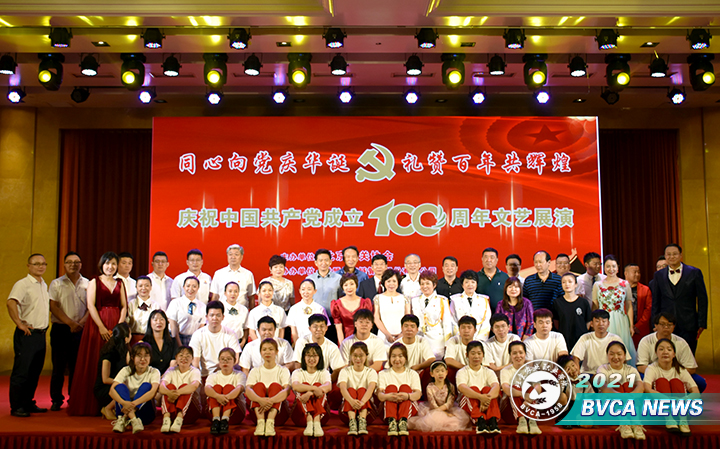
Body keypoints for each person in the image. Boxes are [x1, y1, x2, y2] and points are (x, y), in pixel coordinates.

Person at [69, 251, 127, 416]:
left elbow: (124, 306)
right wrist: (101, 327)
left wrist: (119, 327)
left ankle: (113, 404)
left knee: (116, 361)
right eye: (107, 263)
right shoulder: (94, 281)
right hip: (97, 324)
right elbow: (91, 305)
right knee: (95, 359)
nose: (110, 267)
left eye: (114, 264)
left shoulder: (120, 282)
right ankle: (93, 405)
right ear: (102, 265)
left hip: (116, 323)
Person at [48, 251, 89, 411]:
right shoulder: (56, 283)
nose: (73, 265)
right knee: (58, 366)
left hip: (80, 329)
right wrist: (70, 323)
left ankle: (74, 397)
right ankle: (56, 399)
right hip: (61, 329)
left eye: (76, 262)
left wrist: (80, 323)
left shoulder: (88, 283)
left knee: (76, 367)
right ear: (64, 264)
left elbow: (91, 306)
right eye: (69, 262)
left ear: (81, 265)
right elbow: (53, 307)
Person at [651, 243, 708, 354]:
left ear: (681, 255)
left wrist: (701, 323)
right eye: (668, 254)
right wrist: (655, 323)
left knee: (688, 355)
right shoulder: (658, 275)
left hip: (689, 323)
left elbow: (702, 299)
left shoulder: (694, 272)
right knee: (667, 354)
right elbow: (656, 301)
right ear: (665, 256)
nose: (671, 257)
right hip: (665, 324)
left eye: (675, 254)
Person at [636, 313, 705, 392]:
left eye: (669, 325)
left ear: (674, 327)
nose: (666, 327)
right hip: (652, 373)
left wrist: (672, 374)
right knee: (639, 380)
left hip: (676, 372)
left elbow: (691, 368)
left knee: (700, 382)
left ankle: (682, 395)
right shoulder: (646, 341)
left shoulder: (681, 342)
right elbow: (641, 366)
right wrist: (659, 374)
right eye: (662, 324)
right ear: (655, 325)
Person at [643, 339, 700, 435]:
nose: (665, 352)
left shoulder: (680, 369)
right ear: (656, 353)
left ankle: (683, 421)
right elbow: (646, 388)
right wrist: (667, 400)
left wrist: (683, 400)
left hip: (680, 408)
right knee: (662, 381)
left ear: (674, 354)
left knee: (675, 382)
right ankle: (669, 418)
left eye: (669, 350)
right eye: (661, 349)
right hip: (660, 410)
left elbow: (696, 392)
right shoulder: (652, 368)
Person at [592, 255, 636, 365]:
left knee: (622, 347)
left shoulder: (625, 284)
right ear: (604, 268)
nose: (611, 269)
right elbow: (595, 306)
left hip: (621, 320)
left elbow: (629, 306)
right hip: (603, 321)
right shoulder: (597, 285)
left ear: (618, 268)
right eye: (608, 266)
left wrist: (631, 325)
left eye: (613, 266)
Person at [597, 341, 644, 440]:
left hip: (631, 406)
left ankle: (636, 425)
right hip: (609, 407)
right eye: (612, 354)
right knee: (616, 385)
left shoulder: (631, 370)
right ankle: (624, 424)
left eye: (619, 354)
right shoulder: (603, 369)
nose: (615, 357)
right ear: (607, 355)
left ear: (625, 356)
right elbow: (603, 386)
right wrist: (621, 396)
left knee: (628, 386)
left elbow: (640, 386)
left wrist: (630, 397)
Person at [110, 342, 161, 433]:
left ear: (150, 358)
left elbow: (153, 392)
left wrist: (131, 405)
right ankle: (134, 420)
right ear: (132, 357)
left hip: (144, 414)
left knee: (146, 386)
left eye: (146, 356)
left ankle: (125, 418)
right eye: (139, 356)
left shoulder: (154, 371)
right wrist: (124, 403)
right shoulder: (126, 370)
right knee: (120, 387)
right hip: (123, 408)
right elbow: (111, 391)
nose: (143, 359)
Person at [246, 338, 292, 437]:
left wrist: (270, 401)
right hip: (258, 412)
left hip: (278, 414)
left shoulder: (283, 370)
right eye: (264, 349)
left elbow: (287, 390)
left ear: (276, 352)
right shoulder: (255, 371)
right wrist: (260, 400)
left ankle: (270, 423)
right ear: (260, 352)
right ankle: (261, 423)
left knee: (275, 386)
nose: (267, 352)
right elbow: (248, 390)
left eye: (271, 349)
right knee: (258, 386)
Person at [409, 360, 470, 432]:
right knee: (431, 421)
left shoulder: (450, 386)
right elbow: (432, 403)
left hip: (448, 409)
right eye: (437, 371)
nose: (440, 373)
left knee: (456, 422)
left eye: (442, 371)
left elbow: (450, 402)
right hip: (434, 409)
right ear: (432, 374)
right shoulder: (430, 387)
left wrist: (445, 411)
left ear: (446, 373)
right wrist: (443, 413)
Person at [377, 342, 422, 437]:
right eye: (393, 356)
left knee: (405, 388)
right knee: (391, 388)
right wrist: (390, 396)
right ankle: (392, 422)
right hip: (387, 409)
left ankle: (403, 422)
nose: (397, 359)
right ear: (389, 358)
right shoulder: (383, 374)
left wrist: (406, 396)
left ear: (405, 358)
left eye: (400, 356)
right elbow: (380, 396)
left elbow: (418, 394)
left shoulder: (412, 374)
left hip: (408, 409)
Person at [457, 341, 502, 434]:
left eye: (479, 353)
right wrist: (481, 397)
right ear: (467, 355)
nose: (476, 356)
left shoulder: (488, 371)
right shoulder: (462, 372)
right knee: (473, 389)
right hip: (468, 404)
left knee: (488, 390)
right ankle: (479, 421)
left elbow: (496, 387)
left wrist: (486, 399)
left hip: (485, 403)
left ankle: (492, 421)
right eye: (473, 353)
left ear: (483, 355)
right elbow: (462, 388)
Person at [189, 301, 241, 378]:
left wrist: (220, 368)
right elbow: (195, 362)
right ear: (206, 317)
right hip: (205, 375)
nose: (215, 318)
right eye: (212, 315)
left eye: (218, 315)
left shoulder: (230, 334)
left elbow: (235, 359)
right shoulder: (198, 335)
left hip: (225, 373)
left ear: (223, 317)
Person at [499, 341, 541, 434]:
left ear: (525, 354)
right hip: (510, 411)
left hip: (528, 406)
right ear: (510, 355)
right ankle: (521, 421)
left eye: (521, 352)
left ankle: (532, 422)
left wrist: (529, 398)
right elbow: (507, 390)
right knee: (515, 387)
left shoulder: (531, 371)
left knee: (531, 388)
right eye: (514, 353)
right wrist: (525, 395)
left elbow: (538, 388)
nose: (518, 356)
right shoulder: (505, 371)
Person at [158, 346, 202, 433]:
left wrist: (175, 393)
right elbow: (161, 387)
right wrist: (169, 393)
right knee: (169, 387)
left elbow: (194, 386)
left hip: (190, 411)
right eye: (181, 355)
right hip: (173, 410)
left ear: (192, 359)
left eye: (187, 356)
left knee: (185, 386)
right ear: (176, 358)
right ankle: (166, 419)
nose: (184, 358)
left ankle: (179, 419)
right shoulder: (171, 370)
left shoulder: (195, 371)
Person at [291, 343, 332, 437]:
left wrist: (309, 393)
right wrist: (313, 389)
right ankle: (309, 421)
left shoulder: (324, 372)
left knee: (319, 386)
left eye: (314, 355)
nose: (311, 359)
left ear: (319, 357)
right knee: (307, 386)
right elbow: (295, 386)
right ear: (304, 357)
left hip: (322, 417)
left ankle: (316, 422)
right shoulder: (298, 372)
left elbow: (328, 387)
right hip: (300, 416)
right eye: (308, 355)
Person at [338, 342, 378, 436]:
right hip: (347, 411)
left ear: (366, 356)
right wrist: (351, 401)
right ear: (351, 356)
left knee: (362, 390)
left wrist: (362, 402)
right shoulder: (345, 371)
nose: (358, 359)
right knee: (351, 390)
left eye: (361, 356)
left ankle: (362, 421)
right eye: (355, 355)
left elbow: (371, 387)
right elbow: (342, 387)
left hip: (367, 411)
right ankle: (352, 422)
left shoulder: (370, 371)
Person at [571, 309, 628, 374]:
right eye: (597, 321)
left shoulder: (615, 339)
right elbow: (576, 358)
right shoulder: (585, 338)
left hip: (610, 374)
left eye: (604, 321)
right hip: (589, 373)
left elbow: (624, 359)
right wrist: (578, 375)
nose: (601, 324)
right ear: (591, 323)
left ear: (608, 323)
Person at [412, 271, 454, 359]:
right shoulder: (414, 301)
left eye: (428, 283)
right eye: (422, 284)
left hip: (437, 341)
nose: (424, 286)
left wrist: (447, 344)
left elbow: (447, 324)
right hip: (419, 338)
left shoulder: (442, 300)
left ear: (434, 285)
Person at [94, 323, 131, 421]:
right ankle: (107, 408)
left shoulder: (125, 351)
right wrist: (121, 382)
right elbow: (105, 379)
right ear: (126, 338)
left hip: (116, 384)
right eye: (130, 334)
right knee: (124, 388)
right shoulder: (108, 354)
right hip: (105, 388)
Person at [206, 347, 247, 435]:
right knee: (216, 388)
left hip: (235, 414)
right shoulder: (213, 376)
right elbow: (207, 389)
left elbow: (239, 388)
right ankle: (216, 420)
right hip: (215, 412)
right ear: (219, 361)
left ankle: (224, 420)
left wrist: (224, 398)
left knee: (228, 387)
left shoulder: (240, 375)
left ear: (234, 361)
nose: (225, 362)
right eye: (222, 359)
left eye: (228, 359)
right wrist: (217, 396)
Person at [293, 314, 345, 380]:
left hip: (323, 379)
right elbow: (298, 365)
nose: (319, 329)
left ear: (326, 328)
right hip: (304, 380)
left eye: (322, 326)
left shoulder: (332, 347)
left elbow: (338, 369)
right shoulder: (301, 342)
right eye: (315, 327)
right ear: (310, 328)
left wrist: (327, 382)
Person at [552, 273, 591, 351]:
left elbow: (588, 321)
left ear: (576, 284)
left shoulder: (583, 302)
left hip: (581, 339)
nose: (567, 284)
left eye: (570, 282)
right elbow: (556, 322)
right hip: (564, 339)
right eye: (564, 282)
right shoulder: (557, 303)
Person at [450, 270, 492, 341]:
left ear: (476, 284)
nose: (470, 285)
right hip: (461, 339)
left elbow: (486, 322)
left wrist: (479, 340)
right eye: (467, 282)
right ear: (462, 285)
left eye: (473, 282)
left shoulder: (484, 300)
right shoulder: (455, 300)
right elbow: (453, 321)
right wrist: (461, 338)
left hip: (479, 340)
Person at [331, 274, 373, 343]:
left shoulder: (365, 303)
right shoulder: (336, 305)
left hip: (362, 339)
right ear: (342, 287)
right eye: (346, 285)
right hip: (345, 339)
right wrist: (342, 345)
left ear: (356, 285)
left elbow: (368, 326)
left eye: (351, 284)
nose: (349, 287)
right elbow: (339, 329)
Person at [374, 269, 411, 346]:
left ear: (398, 282)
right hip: (383, 337)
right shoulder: (378, 298)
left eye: (394, 281)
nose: (391, 284)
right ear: (384, 282)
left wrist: (402, 334)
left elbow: (408, 318)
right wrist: (387, 334)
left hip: (401, 336)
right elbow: (376, 318)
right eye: (388, 281)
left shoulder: (405, 298)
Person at [166, 276, 206, 346]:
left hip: (194, 339)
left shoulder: (202, 306)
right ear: (183, 287)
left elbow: (201, 327)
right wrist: (179, 345)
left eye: (194, 286)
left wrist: (197, 342)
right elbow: (173, 325)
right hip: (177, 337)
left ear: (198, 288)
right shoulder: (175, 303)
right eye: (188, 286)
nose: (190, 289)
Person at [287, 279, 330, 343]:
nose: (306, 292)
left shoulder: (320, 308)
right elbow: (294, 332)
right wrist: (298, 345)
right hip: (300, 343)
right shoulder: (294, 308)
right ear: (299, 291)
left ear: (315, 291)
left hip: (317, 343)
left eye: (309, 289)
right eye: (303, 289)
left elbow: (324, 329)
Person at [306, 248, 341, 319]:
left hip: (333, 317)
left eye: (326, 260)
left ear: (330, 262)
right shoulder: (309, 279)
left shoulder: (338, 278)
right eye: (321, 260)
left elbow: (341, 298)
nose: (323, 263)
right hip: (314, 317)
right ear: (316, 262)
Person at [624, 263, 652, 347]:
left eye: (638, 272)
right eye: (634, 272)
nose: (637, 274)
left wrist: (637, 326)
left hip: (640, 330)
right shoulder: (619, 288)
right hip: (623, 327)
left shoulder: (646, 290)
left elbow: (648, 310)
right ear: (626, 273)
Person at [127, 276, 162, 343]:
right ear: (136, 287)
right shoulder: (131, 304)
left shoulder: (156, 306)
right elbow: (126, 323)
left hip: (151, 339)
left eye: (147, 286)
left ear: (151, 287)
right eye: (140, 286)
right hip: (133, 339)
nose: (143, 288)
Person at [142, 310, 177, 375]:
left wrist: (163, 377)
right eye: (155, 320)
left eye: (161, 319)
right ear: (150, 323)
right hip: (149, 376)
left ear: (166, 322)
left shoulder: (173, 342)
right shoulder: (144, 343)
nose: (158, 322)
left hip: (168, 376)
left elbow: (173, 363)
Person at [220, 281, 249, 346]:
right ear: (225, 293)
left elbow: (246, 328)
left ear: (238, 293)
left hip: (239, 342)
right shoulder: (219, 308)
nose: (233, 294)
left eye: (235, 291)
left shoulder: (244, 309)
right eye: (230, 291)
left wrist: (243, 342)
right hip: (222, 342)